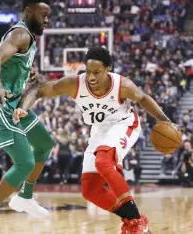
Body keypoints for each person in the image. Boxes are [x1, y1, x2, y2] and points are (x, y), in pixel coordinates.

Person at [14, 47, 174, 234]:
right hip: (98, 131)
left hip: (123, 124)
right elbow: (40, 91)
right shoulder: (74, 84)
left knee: (103, 161)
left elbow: (144, 98)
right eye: (88, 71)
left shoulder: (122, 85)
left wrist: (165, 120)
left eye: (97, 72)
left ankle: (137, 221)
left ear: (108, 69)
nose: (91, 77)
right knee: (90, 190)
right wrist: (23, 107)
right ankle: (131, 220)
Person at [0, 0, 55, 234]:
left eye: (49, 15)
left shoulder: (30, 39)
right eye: (43, 14)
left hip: (12, 103)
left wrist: (30, 72)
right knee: (25, 161)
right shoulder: (20, 33)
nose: (47, 20)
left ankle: (25, 197)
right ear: (28, 12)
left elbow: (13, 64)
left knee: (45, 143)